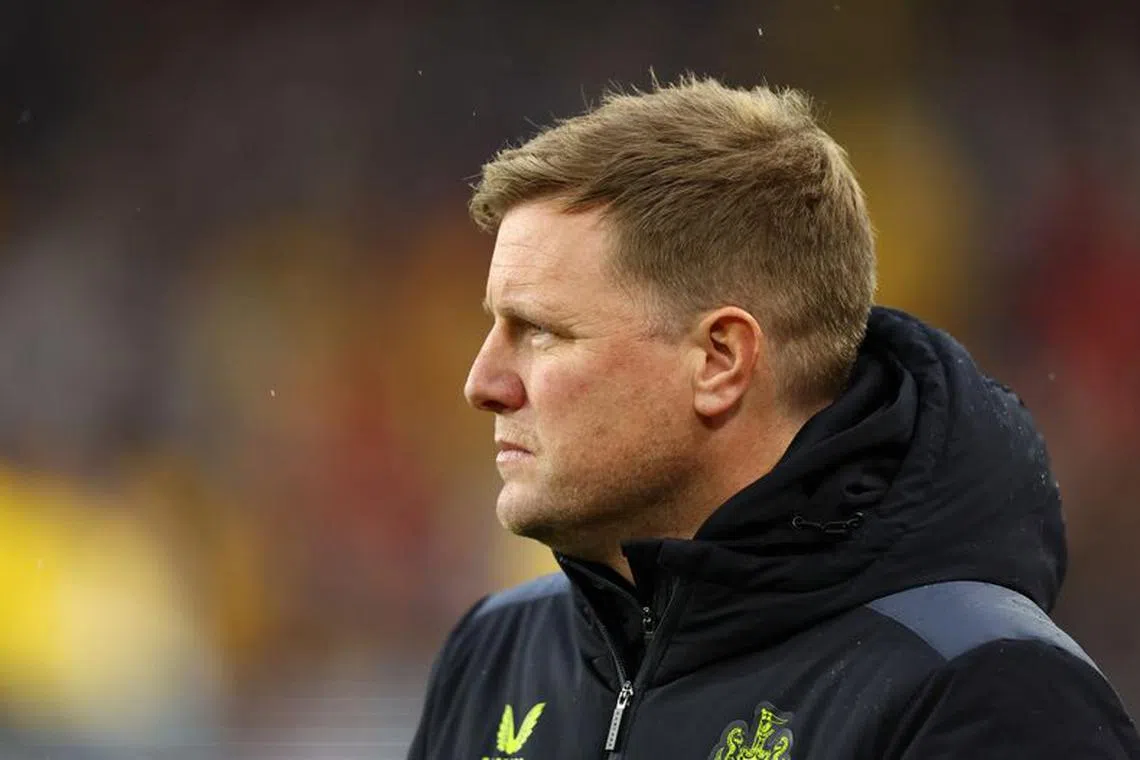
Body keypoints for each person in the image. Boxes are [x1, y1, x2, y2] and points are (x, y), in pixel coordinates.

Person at [407, 76, 1140, 759]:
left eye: (541, 332)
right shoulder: (495, 652)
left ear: (720, 360)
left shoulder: (984, 689)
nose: (482, 384)